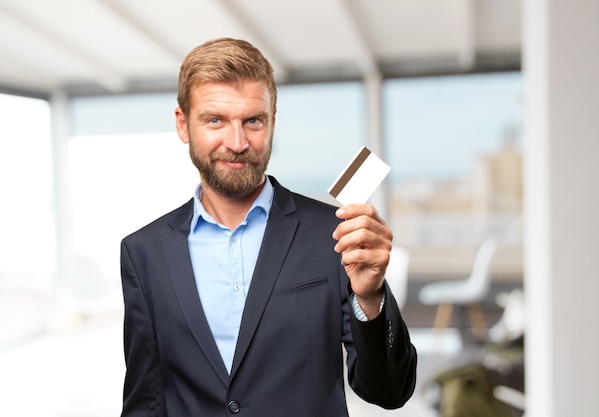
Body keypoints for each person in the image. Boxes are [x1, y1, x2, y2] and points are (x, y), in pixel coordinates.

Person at [120, 37, 417, 417]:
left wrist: (370, 297)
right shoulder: (143, 251)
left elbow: (389, 391)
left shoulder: (335, 236)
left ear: (272, 122)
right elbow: (146, 401)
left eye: (253, 121)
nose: (238, 142)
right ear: (183, 124)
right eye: (215, 120)